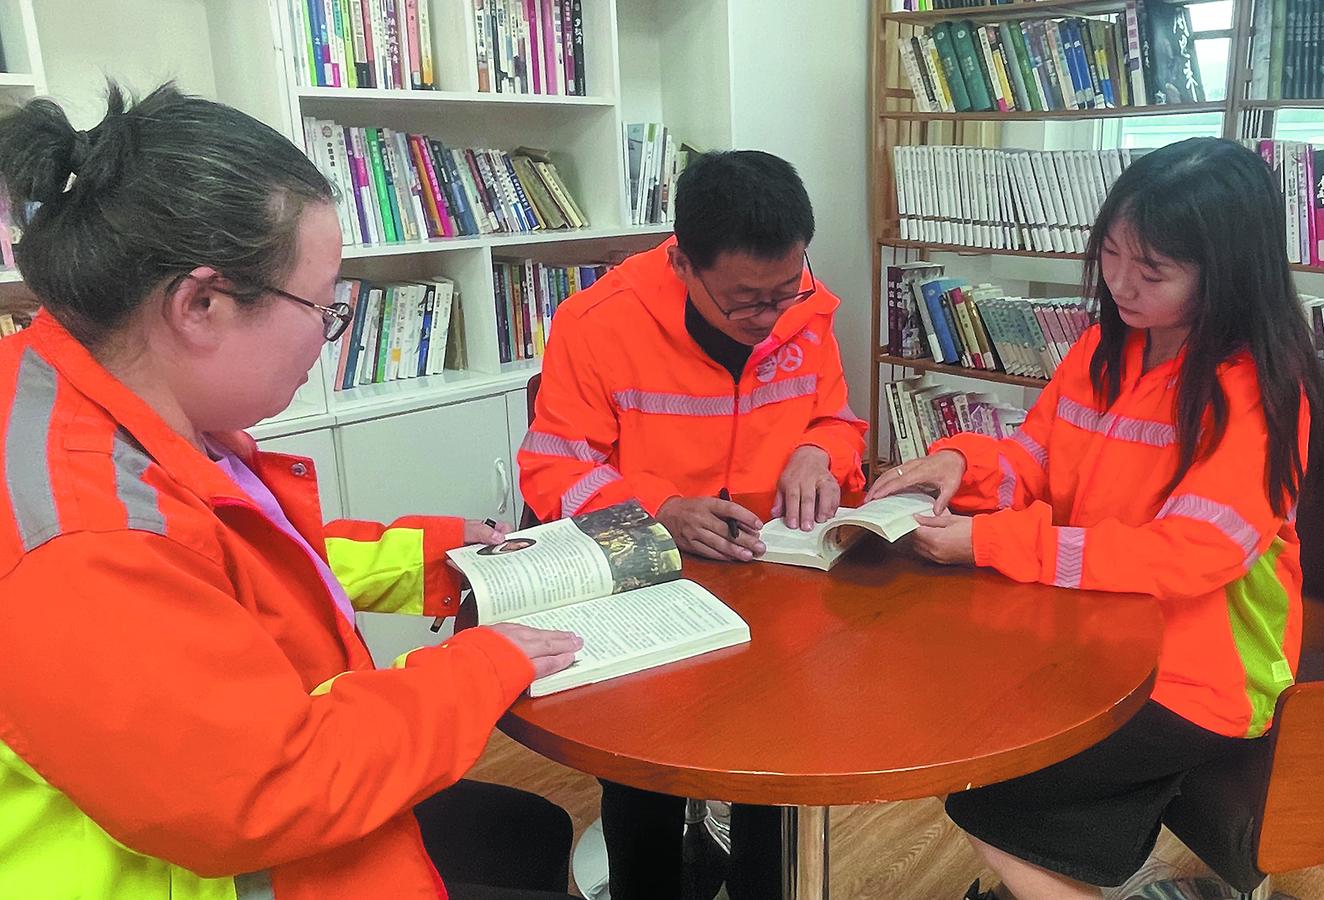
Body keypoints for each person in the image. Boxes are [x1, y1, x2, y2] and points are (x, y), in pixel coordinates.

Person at [0, 83, 584, 900]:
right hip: (218, 863)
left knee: (524, 833)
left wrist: (427, 559)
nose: (328, 334)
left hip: (244, 807)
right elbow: (268, 790)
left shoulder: (85, 391)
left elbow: (236, 567)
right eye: (323, 305)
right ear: (200, 304)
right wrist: (478, 668)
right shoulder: (88, 541)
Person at [865, 137, 1324, 900]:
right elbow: (1035, 463)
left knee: (986, 779)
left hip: (1199, 674)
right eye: (1111, 254)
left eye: (1153, 270)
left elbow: (1189, 556)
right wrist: (961, 465)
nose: (1119, 283)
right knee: (958, 726)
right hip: (1088, 634)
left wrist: (994, 541)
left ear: (1228, 274)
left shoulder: (1257, 392)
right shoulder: (1100, 351)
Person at [517, 150, 868, 899]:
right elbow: (553, 469)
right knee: (644, 783)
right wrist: (658, 511)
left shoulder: (806, 311)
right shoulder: (597, 323)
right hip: (650, 595)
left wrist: (819, 452)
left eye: (786, 290)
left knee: (775, 777)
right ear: (681, 262)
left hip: (779, 588)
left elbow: (837, 419)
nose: (770, 319)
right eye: (746, 301)